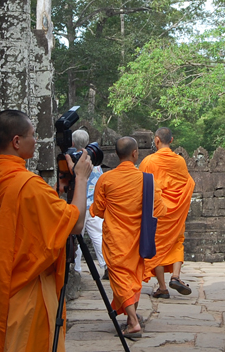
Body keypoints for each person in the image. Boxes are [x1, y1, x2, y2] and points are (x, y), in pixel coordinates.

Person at [0, 110, 92, 352]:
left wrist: (60, 192)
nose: (36, 140)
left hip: (1, 283)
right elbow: (76, 224)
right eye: (32, 135)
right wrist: (81, 179)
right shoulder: (28, 185)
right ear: (17, 142)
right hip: (28, 287)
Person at [90, 137, 166, 338]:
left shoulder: (105, 179)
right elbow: (160, 209)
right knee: (132, 276)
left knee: (120, 277)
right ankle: (131, 316)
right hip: (139, 238)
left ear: (117, 154)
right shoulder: (147, 180)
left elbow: (97, 210)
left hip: (115, 238)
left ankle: (132, 322)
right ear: (135, 154)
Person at [140, 127, 196, 299]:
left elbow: (141, 185)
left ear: (156, 140)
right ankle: (176, 276)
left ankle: (162, 287)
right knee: (177, 242)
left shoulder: (149, 161)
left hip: (157, 211)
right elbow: (189, 184)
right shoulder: (180, 161)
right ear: (171, 141)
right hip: (176, 212)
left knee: (156, 247)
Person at [72, 129, 107, 278]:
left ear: (73, 143)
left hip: (80, 204)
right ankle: (105, 265)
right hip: (94, 204)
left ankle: (77, 268)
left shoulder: (75, 160)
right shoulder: (95, 161)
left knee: (76, 236)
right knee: (98, 235)